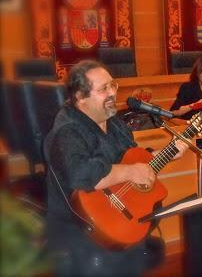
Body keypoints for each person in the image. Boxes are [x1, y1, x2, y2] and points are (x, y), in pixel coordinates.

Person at [44, 60, 188, 276]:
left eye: (113, 85)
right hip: (82, 232)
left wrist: (165, 155)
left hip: (120, 226)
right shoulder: (67, 130)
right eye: (103, 89)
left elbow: (132, 161)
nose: (112, 93)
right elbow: (82, 174)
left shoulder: (114, 122)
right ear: (80, 97)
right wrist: (130, 172)